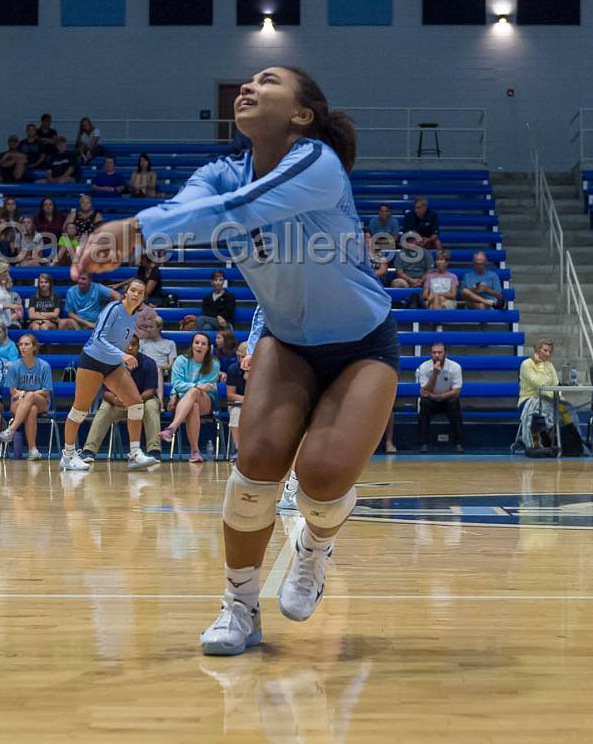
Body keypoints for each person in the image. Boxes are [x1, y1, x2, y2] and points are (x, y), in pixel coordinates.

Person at [73, 66, 398, 656]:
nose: (249, 86)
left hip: (362, 345)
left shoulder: (317, 162)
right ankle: (239, 608)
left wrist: (134, 230)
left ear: (302, 115)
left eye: (268, 81)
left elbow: (240, 210)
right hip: (286, 340)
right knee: (255, 469)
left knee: (322, 481)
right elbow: (200, 207)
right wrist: (142, 233)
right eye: (246, 81)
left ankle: (315, 548)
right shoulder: (220, 171)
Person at [55, 278, 158, 472]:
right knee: (80, 410)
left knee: (136, 404)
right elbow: (98, 338)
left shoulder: (132, 317)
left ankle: (135, 454)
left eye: (140, 292)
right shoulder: (114, 308)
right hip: (92, 361)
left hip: (112, 365)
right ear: (126, 292)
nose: (136, 294)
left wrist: (120, 358)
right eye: (133, 291)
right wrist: (124, 356)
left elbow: (117, 345)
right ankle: (68, 456)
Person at [82, 335, 162, 462]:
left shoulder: (149, 363)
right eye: (127, 344)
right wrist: (115, 400)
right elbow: (105, 392)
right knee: (105, 406)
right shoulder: (111, 363)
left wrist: (133, 400)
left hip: (143, 402)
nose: (130, 348)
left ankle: (154, 450)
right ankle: (88, 450)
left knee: (152, 405)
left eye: (134, 344)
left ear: (139, 347)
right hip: (118, 404)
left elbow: (151, 391)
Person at [161, 333, 220, 462]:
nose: (199, 346)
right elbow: (176, 384)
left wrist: (196, 387)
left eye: (203, 344)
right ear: (192, 345)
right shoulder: (181, 360)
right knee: (193, 406)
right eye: (197, 342)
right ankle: (195, 452)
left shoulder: (214, 364)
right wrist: (197, 386)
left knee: (194, 392)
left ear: (208, 348)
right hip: (185, 401)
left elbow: (206, 388)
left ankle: (172, 428)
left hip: (206, 400)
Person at [0, 333, 52, 461]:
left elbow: (46, 392)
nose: (23, 347)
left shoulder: (44, 366)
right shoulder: (14, 366)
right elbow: (12, 391)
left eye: (26, 344)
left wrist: (28, 394)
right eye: (20, 344)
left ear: (34, 347)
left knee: (31, 396)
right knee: (31, 410)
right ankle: (32, 450)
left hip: (41, 402)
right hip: (18, 401)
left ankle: (11, 429)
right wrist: (24, 395)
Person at [416, 342, 463, 453]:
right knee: (424, 402)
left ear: (445, 353)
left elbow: (456, 391)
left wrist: (439, 397)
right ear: (431, 353)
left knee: (454, 402)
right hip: (431, 400)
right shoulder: (424, 367)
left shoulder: (455, 367)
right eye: (434, 352)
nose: (437, 355)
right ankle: (424, 443)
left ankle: (458, 443)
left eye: (439, 352)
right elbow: (425, 391)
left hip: (447, 399)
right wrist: (435, 374)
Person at [518, 339, 561, 449]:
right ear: (537, 350)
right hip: (528, 400)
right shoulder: (526, 364)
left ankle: (569, 441)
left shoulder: (550, 365)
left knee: (566, 408)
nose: (548, 354)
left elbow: (556, 384)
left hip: (549, 399)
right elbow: (539, 384)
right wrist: (540, 365)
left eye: (549, 352)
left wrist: (559, 397)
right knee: (538, 407)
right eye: (545, 350)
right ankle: (535, 442)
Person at [224, 341, 249, 457]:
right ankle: (238, 449)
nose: (242, 360)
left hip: (257, 405)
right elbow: (230, 394)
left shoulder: (261, 370)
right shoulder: (233, 369)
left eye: (245, 357)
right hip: (238, 404)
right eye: (241, 357)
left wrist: (248, 376)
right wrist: (247, 400)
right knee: (235, 413)